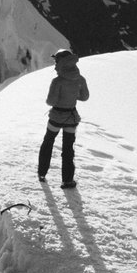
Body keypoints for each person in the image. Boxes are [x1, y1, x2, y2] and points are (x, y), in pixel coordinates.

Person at [38, 49, 89, 188]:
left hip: (56, 116)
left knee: (48, 142)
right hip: (71, 117)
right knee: (68, 149)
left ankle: (42, 173)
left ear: (60, 62)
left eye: (56, 61)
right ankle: (67, 180)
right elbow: (84, 97)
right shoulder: (80, 78)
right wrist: (72, 96)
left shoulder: (57, 81)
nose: (55, 64)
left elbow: (51, 101)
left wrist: (62, 98)